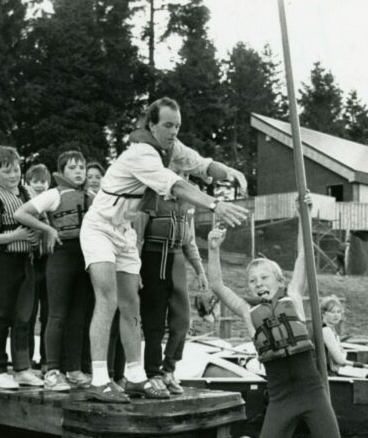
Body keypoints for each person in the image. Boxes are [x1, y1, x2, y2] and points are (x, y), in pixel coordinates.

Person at [80, 97, 248, 400]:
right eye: (168, 125)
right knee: (108, 300)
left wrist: (231, 172)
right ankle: (99, 380)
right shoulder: (141, 153)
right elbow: (178, 187)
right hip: (99, 228)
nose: (173, 131)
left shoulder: (170, 147)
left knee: (131, 304)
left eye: (177, 126)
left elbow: (201, 165)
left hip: (124, 232)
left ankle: (134, 376)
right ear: (152, 125)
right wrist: (215, 204)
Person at [206, 219, 368, 438]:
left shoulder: (294, 297)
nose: (259, 284)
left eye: (265, 277)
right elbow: (216, 285)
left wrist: (301, 214)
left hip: (312, 394)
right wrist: (214, 249)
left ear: (280, 282)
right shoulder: (248, 313)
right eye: (253, 281)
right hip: (280, 402)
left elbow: (304, 256)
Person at [14, 151, 122, 399]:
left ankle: (74, 370)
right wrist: (48, 229)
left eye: (82, 167)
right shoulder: (54, 194)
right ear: (62, 172)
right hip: (61, 256)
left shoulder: (93, 196)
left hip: (86, 257)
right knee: (57, 314)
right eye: (73, 168)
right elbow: (21, 213)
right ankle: (52, 370)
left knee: (79, 316)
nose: (79, 172)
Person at [0, 146, 45, 389]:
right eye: (6, 171)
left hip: (26, 263)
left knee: (23, 318)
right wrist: (14, 235)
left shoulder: (27, 194)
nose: (13, 175)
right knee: (2, 316)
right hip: (2, 263)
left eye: (16, 169)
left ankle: (22, 368)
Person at [134, 185, 208, 396]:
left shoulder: (187, 204)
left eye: (185, 175)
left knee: (182, 321)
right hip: (152, 261)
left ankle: (169, 370)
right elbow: (137, 238)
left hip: (176, 262)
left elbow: (190, 242)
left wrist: (200, 271)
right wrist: (136, 269)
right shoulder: (151, 198)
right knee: (154, 322)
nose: (182, 180)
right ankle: (153, 374)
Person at [25, 163, 52, 370]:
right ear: (28, 183)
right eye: (35, 182)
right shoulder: (26, 205)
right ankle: (25, 359)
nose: (40, 185)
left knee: (48, 314)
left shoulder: (52, 203)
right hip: (30, 263)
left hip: (49, 263)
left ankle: (46, 359)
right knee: (28, 314)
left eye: (43, 181)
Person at [321, 296, 354, 375]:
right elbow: (340, 360)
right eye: (332, 312)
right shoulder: (326, 331)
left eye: (338, 312)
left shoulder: (332, 331)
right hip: (326, 375)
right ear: (323, 314)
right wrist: (343, 354)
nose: (336, 315)